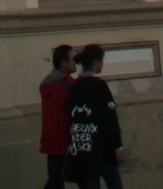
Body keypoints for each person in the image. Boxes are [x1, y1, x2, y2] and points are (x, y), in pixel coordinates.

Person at [65, 44, 126, 189]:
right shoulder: (100, 86)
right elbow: (111, 118)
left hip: (83, 151)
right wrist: (118, 146)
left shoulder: (74, 87)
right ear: (96, 62)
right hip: (104, 151)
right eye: (101, 61)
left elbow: (70, 117)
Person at [39, 44, 77, 189]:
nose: (76, 63)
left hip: (51, 138)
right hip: (64, 138)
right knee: (57, 180)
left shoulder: (48, 83)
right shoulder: (67, 85)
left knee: (55, 178)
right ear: (63, 63)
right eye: (73, 59)